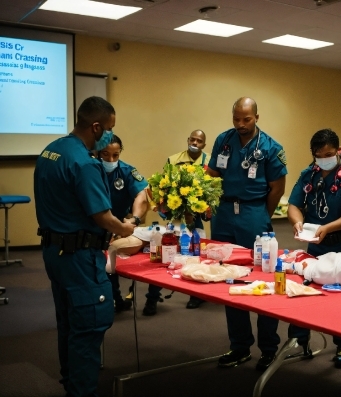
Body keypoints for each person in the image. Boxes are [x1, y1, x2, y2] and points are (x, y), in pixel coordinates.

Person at [34, 96, 135, 397]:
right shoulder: (84, 163)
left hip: (55, 252)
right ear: (95, 126)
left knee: (68, 322)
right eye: (108, 129)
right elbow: (102, 216)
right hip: (80, 256)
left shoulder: (51, 151)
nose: (108, 136)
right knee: (88, 328)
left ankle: (71, 386)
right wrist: (126, 227)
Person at [207, 97, 287, 372]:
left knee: (261, 278)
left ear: (257, 117)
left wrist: (261, 214)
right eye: (236, 119)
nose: (241, 124)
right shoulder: (224, 140)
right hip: (225, 214)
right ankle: (239, 346)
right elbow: (212, 174)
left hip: (254, 214)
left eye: (247, 119)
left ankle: (269, 348)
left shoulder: (270, 148)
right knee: (229, 278)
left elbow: (277, 187)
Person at [286, 128, 341, 367]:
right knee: (302, 290)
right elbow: (294, 204)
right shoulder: (310, 174)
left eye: (329, 153)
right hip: (314, 246)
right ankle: (298, 340)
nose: (324, 158)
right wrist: (297, 222)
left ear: (339, 151)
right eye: (319, 155)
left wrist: (329, 227)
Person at [143, 129, 211, 315]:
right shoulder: (173, 160)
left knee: (196, 256)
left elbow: (211, 191)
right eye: (192, 139)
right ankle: (152, 297)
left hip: (196, 218)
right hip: (175, 218)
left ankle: (196, 295)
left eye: (199, 141)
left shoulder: (209, 162)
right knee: (164, 256)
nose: (195, 143)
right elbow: (163, 187)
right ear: (187, 140)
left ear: (204, 144)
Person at [98, 134, 148, 313]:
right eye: (105, 154)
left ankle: (116, 299)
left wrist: (134, 219)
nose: (110, 160)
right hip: (94, 225)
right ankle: (111, 299)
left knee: (111, 263)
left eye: (115, 155)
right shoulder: (91, 169)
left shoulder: (127, 171)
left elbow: (141, 195)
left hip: (118, 226)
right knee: (99, 265)